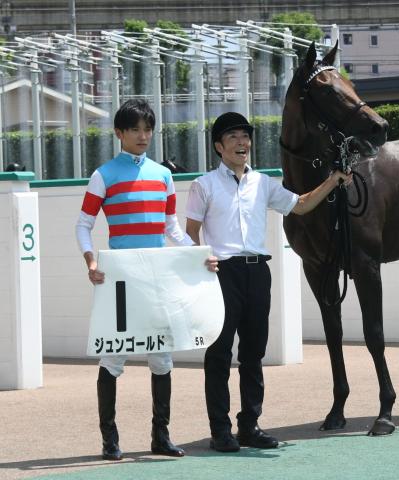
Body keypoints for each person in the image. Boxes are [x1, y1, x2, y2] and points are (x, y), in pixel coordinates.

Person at [185, 112, 352, 453]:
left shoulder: (263, 183)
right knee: (219, 353)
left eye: (245, 136)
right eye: (233, 137)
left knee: (253, 352)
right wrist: (200, 257)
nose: (242, 142)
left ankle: (249, 426)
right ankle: (220, 431)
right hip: (222, 273)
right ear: (219, 146)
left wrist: (334, 179)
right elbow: (190, 232)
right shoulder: (204, 185)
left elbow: (301, 205)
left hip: (257, 272)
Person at [75, 99, 216, 461]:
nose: (142, 135)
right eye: (135, 129)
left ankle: (161, 437)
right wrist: (91, 261)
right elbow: (83, 225)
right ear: (119, 133)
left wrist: (199, 254)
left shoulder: (163, 175)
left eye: (147, 129)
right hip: (120, 281)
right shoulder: (103, 174)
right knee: (112, 360)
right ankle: (109, 440)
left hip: (156, 279)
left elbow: (172, 228)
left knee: (162, 358)